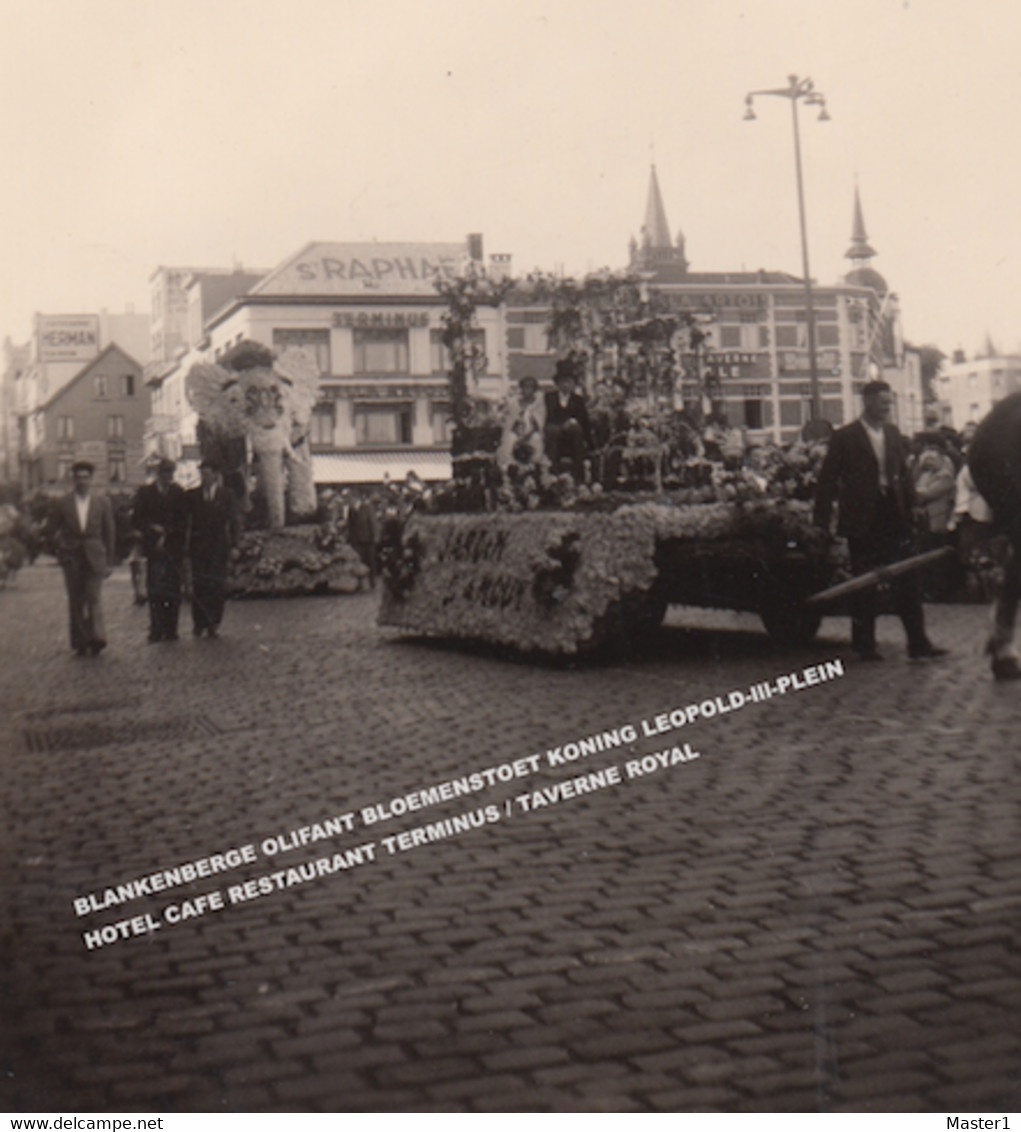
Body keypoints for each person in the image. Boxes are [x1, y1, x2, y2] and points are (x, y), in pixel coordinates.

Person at [813, 380, 947, 662]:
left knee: (908, 578)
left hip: (894, 514)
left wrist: (913, 505)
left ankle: (918, 643)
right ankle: (865, 645)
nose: (887, 408)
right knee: (865, 582)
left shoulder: (893, 432)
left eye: (890, 403)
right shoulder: (845, 436)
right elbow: (826, 481)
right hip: (862, 518)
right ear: (868, 401)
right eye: (883, 402)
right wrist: (821, 523)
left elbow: (902, 474)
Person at [965, 391, 1021, 680]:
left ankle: (1002, 639)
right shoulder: (1011, 414)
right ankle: (1002, 642)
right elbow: (988, 456)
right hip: (1002, 474)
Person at [46, 460, 116, 657]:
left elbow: (109, 532)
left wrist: (109, 561)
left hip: (95, 554)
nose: (82, 481)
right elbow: (51, 530)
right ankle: (80, 641)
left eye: (86, 477)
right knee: (76, 599)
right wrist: (60, 551)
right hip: (72, 555)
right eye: (78, 478)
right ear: (73, 479)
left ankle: (97, 638)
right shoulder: (63, 503)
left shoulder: (102, 502)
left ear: (91, 479)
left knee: (93, 596)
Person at [132, 457, 188, 643]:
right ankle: (156, 629)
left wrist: (169, 532)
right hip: (153, 547)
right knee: (155, 589)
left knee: (173, 590)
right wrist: (152, 528)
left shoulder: (178, 492)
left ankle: (171, 629)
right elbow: (137, 519)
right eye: (165, 473)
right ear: (158, 474)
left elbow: (184, 520)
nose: (168, 477)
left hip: (173, 547)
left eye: (170, 474)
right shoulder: (146, 493)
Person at [186, 459, 241, 638]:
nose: (204, 477)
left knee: (216, 586)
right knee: (199, 585)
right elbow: (186, 522)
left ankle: (214, 623)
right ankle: (199, 623)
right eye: (202, 473)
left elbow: (234, 522)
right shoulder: (193, 495)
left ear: (215, 475)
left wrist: (235, 545)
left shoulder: (226, 495)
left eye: (207, 473)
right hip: (198, 547)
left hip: (218, 547)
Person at [544, 360, 592, 480]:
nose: (566, 385)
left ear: (573, 384)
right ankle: (552, 473)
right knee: (551, 430)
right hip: (554, 433)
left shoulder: (578, 400)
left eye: (569, 382)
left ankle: (578, 474)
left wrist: (572, 422)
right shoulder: (549, 398)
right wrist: (559, 425)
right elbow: (546, 416)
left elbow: (584, 421)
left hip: (572, 435)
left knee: (576, 429)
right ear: (558, 383)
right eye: (563, 382)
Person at [499, 375, 547, 467]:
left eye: (530, 387)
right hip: (517, 431)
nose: (527, 390)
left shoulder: (539, 404)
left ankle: (534, 464)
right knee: (509, 438)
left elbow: (538, 423)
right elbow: (510, 421)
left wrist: (527, 436)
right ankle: (509, 465)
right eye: (525, 387)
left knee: (536, 439)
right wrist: (517, 433)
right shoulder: (514, 403)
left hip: (531, 432)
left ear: (534, 389)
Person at [347, 489, 379, 590]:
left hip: (368, 539)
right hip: (356, 540)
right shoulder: (351, 510)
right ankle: (360, 583)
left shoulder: (367, 508)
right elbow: (350, 526)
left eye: (350, 499)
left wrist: (375, 537)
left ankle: (372, 582)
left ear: (355, 498)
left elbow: (373, 523)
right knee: (358, 561)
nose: (349, 501)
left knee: (370, 561)